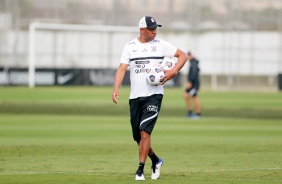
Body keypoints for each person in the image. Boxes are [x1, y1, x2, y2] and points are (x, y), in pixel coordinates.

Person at [112, 16, 188, 180]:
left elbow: (183, 56)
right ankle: (156, 160)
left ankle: (140, 170)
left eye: (156, 28)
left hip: (154, 95)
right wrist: (116, 88)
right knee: (138, 137)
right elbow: (121, 69)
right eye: (151, 29)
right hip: (135, 97)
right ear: (142, 30)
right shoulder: (130, 47)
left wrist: (174, 70)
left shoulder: (161, 45)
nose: (155, 31)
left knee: (145, 131)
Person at [184, 51, 202, 118]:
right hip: (193, 83)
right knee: (186, 95)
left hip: (194, 84)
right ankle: (190, 111)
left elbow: (194, 74)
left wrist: (190, 82)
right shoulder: (193, 63)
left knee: (194, 97)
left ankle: (198, 113)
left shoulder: (194, 63)